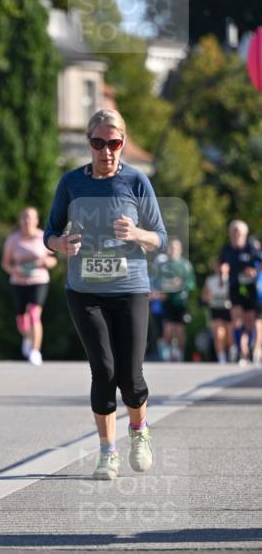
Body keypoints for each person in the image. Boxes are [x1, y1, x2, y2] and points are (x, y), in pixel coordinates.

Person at [43, 109, 167, 480]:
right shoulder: (71, 183)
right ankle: (107, 451)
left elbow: (159, 236)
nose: (107, 151)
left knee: (130, 377)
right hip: (85, 291)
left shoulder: (136, 181)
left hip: (130, 289)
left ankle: (139, 431)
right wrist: (60, 244)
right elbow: (48, 234)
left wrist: (137, 234)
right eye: (99, 143)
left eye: (114, 143)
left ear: (123, 143)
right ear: (89, 143)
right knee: (104, 370)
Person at [1, 207, 57, 365]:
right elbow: (5, 263)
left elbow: (53, 260)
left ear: (36, 220)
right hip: (18, 282)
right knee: (22, 320)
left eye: (30, 217)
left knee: (34, 313)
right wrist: (15, 270)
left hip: (39, 280)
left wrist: (47, 262)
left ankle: (35, 351)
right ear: (20, 220)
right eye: (24, 217)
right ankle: (28, 337)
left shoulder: (42, 237)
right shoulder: (13, 239)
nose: (27, 221)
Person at [219, 220, 262, 365]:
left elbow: (260, 262)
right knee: (237, 321)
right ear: (230, 234)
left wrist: (254, 271)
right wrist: (223, 272)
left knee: (250, 322)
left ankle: (252, 348)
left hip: (250, 289)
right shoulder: (227, 249)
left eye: (239, 232)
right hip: (235, 287)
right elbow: (222, 263)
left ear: (244, 233)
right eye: (234, 231)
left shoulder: (251, 248)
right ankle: (242, 352)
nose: (236, 234)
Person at [152, 238, 196, 361]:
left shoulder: (185, 265)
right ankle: (167, 356)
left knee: (179, 330)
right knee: (168, 330)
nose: (173, 250)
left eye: (176, 248)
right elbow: (155, 282)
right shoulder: (162, 265)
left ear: (180, 250)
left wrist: (181, 284)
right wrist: (159, 292)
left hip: (180, 302)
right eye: (171, 247)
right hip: (165, 302)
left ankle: (179, 356)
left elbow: (191, 284)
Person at [201, 260, 233, 363]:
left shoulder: (232, 279)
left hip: (229, 310)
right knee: (219, 334)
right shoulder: (210, 280)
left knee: (229, 336)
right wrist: (208, 297)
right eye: (217, 266)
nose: (219, 268)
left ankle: (232, 353)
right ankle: (221, 358)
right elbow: (204, 296)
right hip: (216, 309)